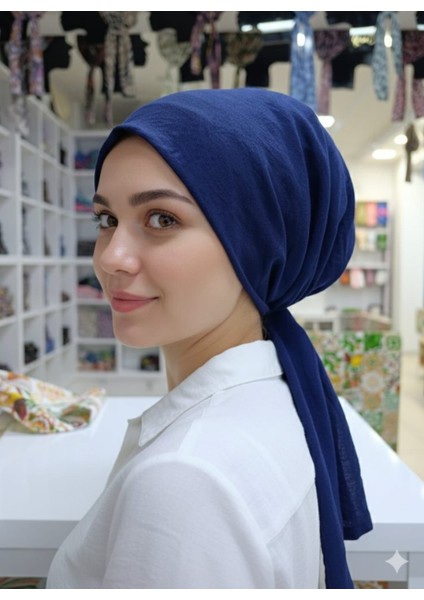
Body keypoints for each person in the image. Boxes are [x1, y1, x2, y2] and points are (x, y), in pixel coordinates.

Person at [47, 88, 372, 589]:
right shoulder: (272, 397)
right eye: (107, 219)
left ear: (258, 243)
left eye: (162, 219)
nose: (110, 257)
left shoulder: (185, 481)